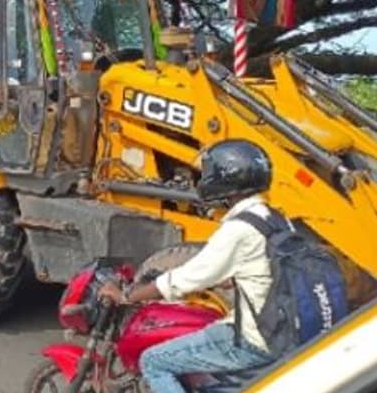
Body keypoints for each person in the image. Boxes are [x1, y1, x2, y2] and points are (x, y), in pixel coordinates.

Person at [97, 140, 279, 393]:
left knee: (153, 361)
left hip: (253, 340)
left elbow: (185, 278)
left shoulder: (238, 229)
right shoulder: (273, 219)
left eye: (208, 173)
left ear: (224, 180)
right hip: (281, 330)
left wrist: (127, 295)